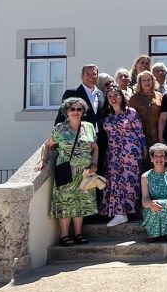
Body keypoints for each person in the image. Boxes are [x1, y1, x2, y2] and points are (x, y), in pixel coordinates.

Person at [37, 97, 99, 246]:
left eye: (79, 109)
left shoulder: (89, 127)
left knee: (81, 203)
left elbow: (95, 147)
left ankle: (78, 233)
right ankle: (64, 235)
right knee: (65, 204)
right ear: (66, 112)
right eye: (72, 109)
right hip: (66, 171)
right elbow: (48, 145)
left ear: (83, 111)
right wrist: (42, 161)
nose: (76, 112)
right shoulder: (60, 128)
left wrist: (95, 163)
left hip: (85, 172)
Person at [101, 85, 145, 227]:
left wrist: (144, 151)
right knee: (114, 182)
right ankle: (118, 213)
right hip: (113, 153)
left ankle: (124, 212)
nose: (113, 98)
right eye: (110, 96)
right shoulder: (107, 118)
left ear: (121, 97)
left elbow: (140, 133)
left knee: (128, 183)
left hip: (130, 154)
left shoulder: (131, 113)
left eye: (116, 95)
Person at [141, 143, 167, 242]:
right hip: (153, 206)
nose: (159, 159)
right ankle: (154, 235)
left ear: (166, 158)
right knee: (155, 207)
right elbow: (145, 199)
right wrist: (150, 204)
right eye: (156, 156)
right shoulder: (145, 176)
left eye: (162, 156)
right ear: (152, 158)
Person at [129, 70, 162, 164]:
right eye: (144, 80)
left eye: (149, 80)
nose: (147, 82)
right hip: (141, 136)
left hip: (157, 135)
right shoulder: (134, 98)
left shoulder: (159, 96)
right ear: (140, 83)